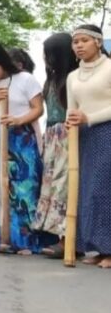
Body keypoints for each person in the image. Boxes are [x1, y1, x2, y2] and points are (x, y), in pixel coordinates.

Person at [0, 42, 55, 254]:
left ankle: (24, 240)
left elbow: (38, 109)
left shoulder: (25, 79)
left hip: (21, 136)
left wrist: (18, 120)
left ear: (3, 62)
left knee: (24, 187)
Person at [64, 24, 111, 268]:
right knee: (86, 189)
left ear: (98, 42)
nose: (79, 45)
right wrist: (69, 122)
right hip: (83, 135)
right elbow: (72, 108)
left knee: (104, 189)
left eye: (84, 40)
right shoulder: (73, 76)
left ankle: (110, 249)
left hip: (107, 131)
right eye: (75, 42)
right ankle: (94, 246)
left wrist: (89, 118)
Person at [30, 33, 78, 258]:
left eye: (48, 53)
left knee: (64, 185)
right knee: (52, 185)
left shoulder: (72, 78)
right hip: (52, 136)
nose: (45, 58)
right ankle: (59, 235)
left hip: (68, 135)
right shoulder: (52, 79)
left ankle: (68, 238)